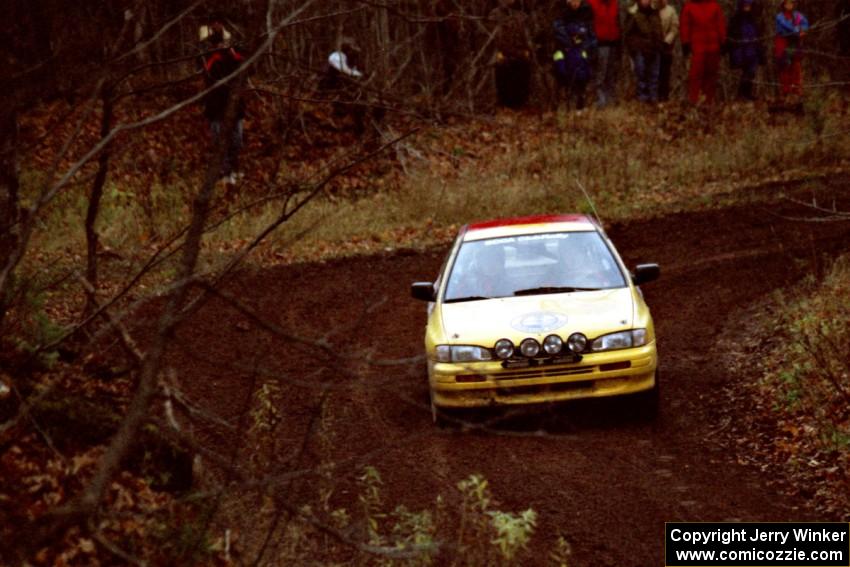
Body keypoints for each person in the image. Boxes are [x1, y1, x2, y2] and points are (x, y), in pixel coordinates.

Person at [201, 23, 246, 184]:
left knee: (237, 140)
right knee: (220, 141)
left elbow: (246, 68)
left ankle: (233, 169)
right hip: (217, 108)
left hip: (236, 107)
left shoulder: (235, 55)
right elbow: (211, 80)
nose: (222, 45)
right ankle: (225, 173)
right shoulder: (210, 59)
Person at [554, 0, 597, 109]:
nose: (575, 3)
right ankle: (567, 104)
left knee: (583, 77)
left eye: (577, 1)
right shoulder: (562, 13)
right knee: (566, 76)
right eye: (572, 1)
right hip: (567, 51)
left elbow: (591, 33)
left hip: (582, 50)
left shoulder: (586, 12)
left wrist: (588, 45)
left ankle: (581, 104)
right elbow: (558, 30)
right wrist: (570, 40)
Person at [490, 0, 533, 108]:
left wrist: (527, 50)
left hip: (519, 53)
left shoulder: (521, 15)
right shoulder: (494, 14)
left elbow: (526, 35)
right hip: (503, 53)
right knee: (503, 79)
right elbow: (491, 37)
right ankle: (504, 105)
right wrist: (498, 52)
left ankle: (520, 105)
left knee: (521, 78)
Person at [624, 0, 664, 103]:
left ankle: (653, 97)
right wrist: (636, 47)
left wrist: (659, 44)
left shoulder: (655, 12)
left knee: (654, 74)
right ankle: (642, 98)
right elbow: (628, 34)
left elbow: (659, 29)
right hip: (640, 50)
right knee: (641, 74)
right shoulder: (633, 13)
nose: (645, 1)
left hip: (655, 48)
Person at [728, 0, 765, 100]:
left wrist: (760, 51)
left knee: (751, 72)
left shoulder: (753, 19)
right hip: (741, 50)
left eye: (749, 5)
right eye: (745, 5)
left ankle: (747, 94)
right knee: (745, 73)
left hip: (752, 50)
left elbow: (758, 35)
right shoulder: (735, 20)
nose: (747, 7)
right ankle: (741, 94)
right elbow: (731, 36)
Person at [587, 0, 622, 107]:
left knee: (610, 72)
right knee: (600, 71)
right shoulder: (591, 3)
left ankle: (610, 97)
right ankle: (600, 98)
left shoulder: (614, 3)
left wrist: (618, 39)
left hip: (613, 41)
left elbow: (617, 21)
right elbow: (588, 23)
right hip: (599, 43)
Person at [774, 0, 809, 100]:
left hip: (795, 45)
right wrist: (798, 30)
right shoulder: (780, 16)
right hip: (783, 45)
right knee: (785, 68)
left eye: (791, 3)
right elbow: (786, 27)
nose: (789, 5)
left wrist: (802, 30)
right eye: (787, 3)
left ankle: (797, 92)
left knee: (796, 67)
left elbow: (805, 24)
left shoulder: (797, 15)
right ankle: (786, 92)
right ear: (783, 5)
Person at [657, 0, 679, 101]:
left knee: (665, 73)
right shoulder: (652, 10)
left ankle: (664, 97)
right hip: (653, 47)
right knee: (653, 73)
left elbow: (674, 28)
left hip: (666, 47)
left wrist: (667, 40)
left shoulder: (671, 11)